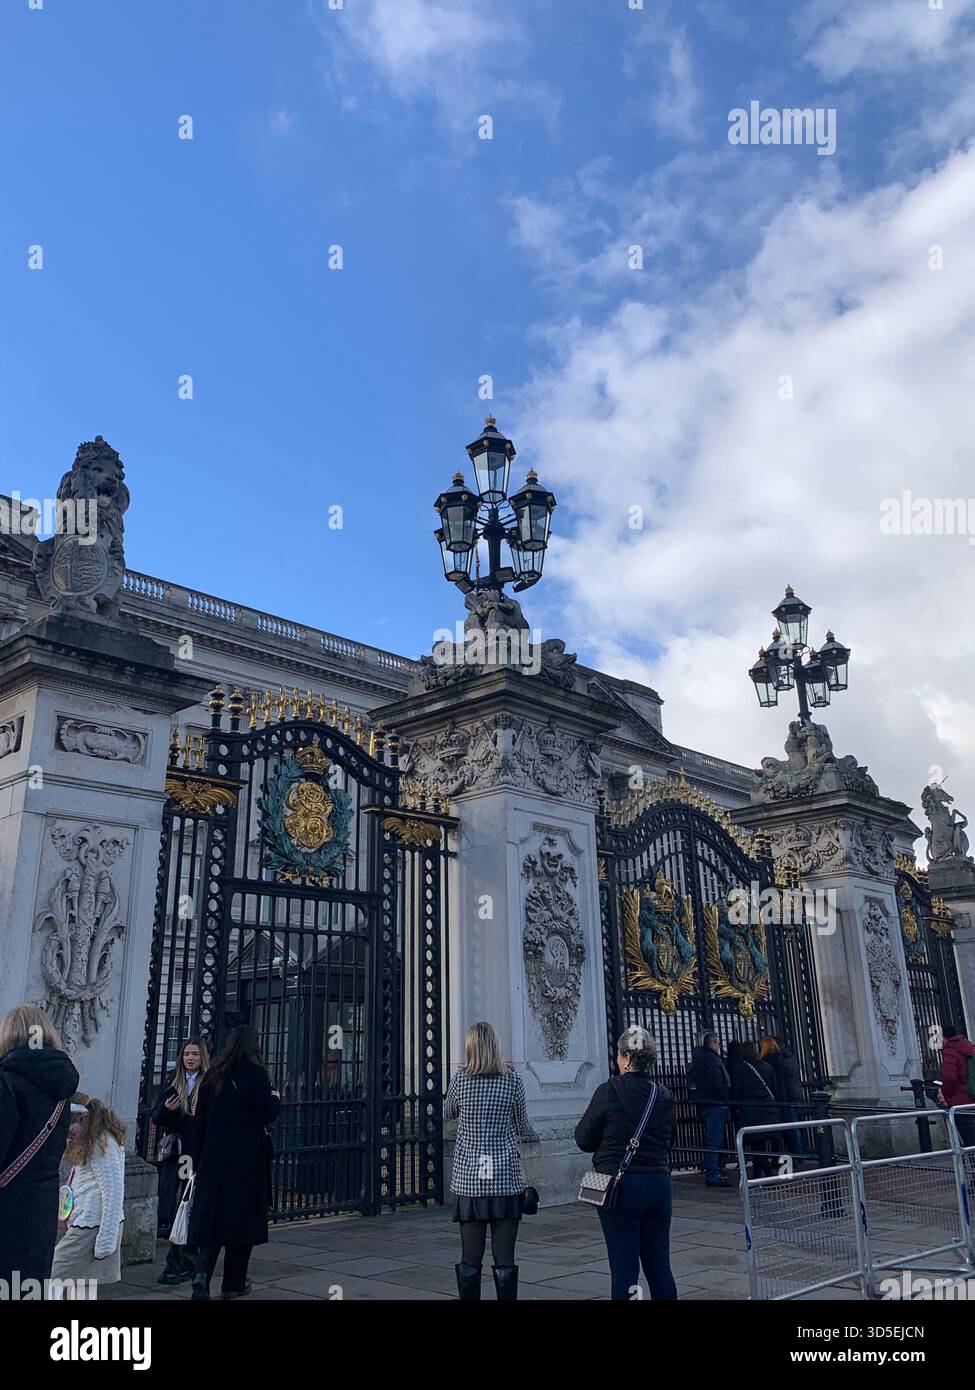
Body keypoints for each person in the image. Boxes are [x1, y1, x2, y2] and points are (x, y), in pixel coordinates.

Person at [575, 1026, 678, 1301]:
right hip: (658, 1184)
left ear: (626, 1058)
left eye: (620, 1055)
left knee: (624, 1270)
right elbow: (670, 1140)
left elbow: (584, 1139)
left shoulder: (608, 1091)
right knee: (659, 1267)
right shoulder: (664, 1095)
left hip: (618, 1186)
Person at [444, 1020, 539, 1301]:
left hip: (471, 1180)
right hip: (504, 1179)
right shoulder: (512, 1080)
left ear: (471, 1047)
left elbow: (448, 1112)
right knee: (504, 1259)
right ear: (496, 1047)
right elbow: (522, 1125)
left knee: (470, 1258)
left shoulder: (461, 1080)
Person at [187, 1025, 280, 1300]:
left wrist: (196, 1158)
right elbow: (265, 1114)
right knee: (241, 1224)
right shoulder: (257, 1075)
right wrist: (275, 1100)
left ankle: (201, 1277)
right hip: (246, 1162)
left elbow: (198, 1123)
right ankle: (233, 1283)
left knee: (212, 1223)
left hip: (213, 1161)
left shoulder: (212, 1076)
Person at [0, 1004, 79, 1291]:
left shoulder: (7, 1082)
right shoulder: (60, 1088)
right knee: (29, 1286)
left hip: (8, 1203)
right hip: (43, 1203)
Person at [50, 1095, 126, 1296]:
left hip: (92, 1225)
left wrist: (106, 1242)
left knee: (54, 1276)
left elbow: (114, 1193)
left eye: (71, 1130)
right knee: (82, 1284)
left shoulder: (103, 1144)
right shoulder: (93, 1141)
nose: (70, 1136)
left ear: (84, 1119)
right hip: (86, 1222)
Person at [152, 1036, 209, 1284]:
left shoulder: (209, 1084)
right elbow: (157, 1118)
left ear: (202, 1057)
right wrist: (167, 1109)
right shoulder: (171, 1083)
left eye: (195, 1054)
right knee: (177, 1206)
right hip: (176, 1155)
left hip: (198, 1154)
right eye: (187, 1054)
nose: (190, 1058)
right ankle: (177, 1260)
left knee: (190, 1207)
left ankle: (185, 1260)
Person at [687, 1029, 731, 1188]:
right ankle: (713, 1174)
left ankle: (714, 1170)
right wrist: (724, 1097)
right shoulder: (712, 1060)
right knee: (714, 1140)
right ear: (710, 1043)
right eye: (716, 1042)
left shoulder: (698, 1059)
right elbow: (717, 1082)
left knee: (711, 1139)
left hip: (704, 1103)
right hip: (715, 1103)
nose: (718, 1046)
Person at [730, 1040, 779, 1177]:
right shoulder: (767, 1066)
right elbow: (774, 1087)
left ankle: (767, 1176)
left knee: (757, 1145)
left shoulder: (740, 1068)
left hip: (750, 1109)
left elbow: (737, 1090)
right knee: (760, 1145)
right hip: (767, 1108)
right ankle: (758, 1175)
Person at [759, 1035, 804, 1157]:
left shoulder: (772, 1061)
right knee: (792, 1127)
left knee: (787, 1127)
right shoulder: (789, 1057)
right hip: (793, 1095)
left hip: (783, 1098)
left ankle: (794, 1155)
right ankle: (797, 1154)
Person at [940, 1024, 975, 1147]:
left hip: (960, 1102)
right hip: (972, 1097)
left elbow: (950, 1078)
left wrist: (945, 1094)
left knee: (969, 1140)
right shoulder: (969, 1047)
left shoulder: (950, 1051)